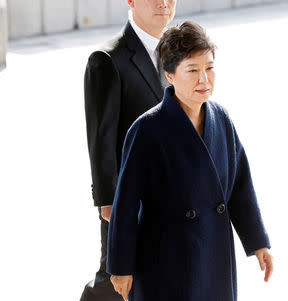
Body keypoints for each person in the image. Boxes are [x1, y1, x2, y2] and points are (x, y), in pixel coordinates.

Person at [107, 21, 274, 301]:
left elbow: (240, 187)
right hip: (166, 257)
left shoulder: (221, 119)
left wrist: (258, 242)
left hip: (213, 253)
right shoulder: (146, 129)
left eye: (209, 68)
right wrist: (121, 267)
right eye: (193, 70)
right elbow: (125, 204)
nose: (204, 80)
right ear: (170, 75)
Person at [81, 1, 176, 300]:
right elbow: (101, 137)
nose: (163, 2)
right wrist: (108, 202)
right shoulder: (108, 60)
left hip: (172, 198)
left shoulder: (179, 54)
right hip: (128, 201)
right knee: (113, 282)